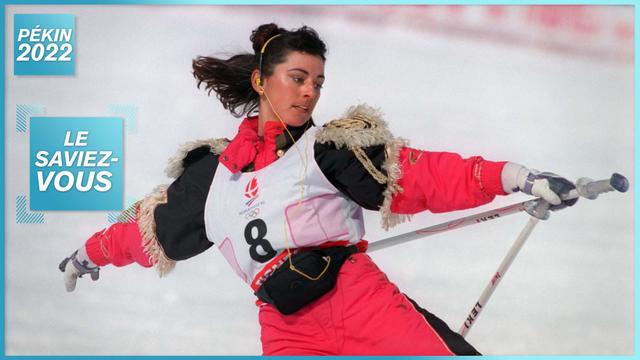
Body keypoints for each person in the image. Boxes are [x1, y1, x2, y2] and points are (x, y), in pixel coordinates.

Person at [59, 23, 577, 355]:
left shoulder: (329, 149)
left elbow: (421, 174)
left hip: (361, 305)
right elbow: (149, 229)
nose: (310, 92)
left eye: (318, 82)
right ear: (261, 81)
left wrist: (517, 177)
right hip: (286, 329)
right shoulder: (209, 179)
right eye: (297, 77)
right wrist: (89, 254)